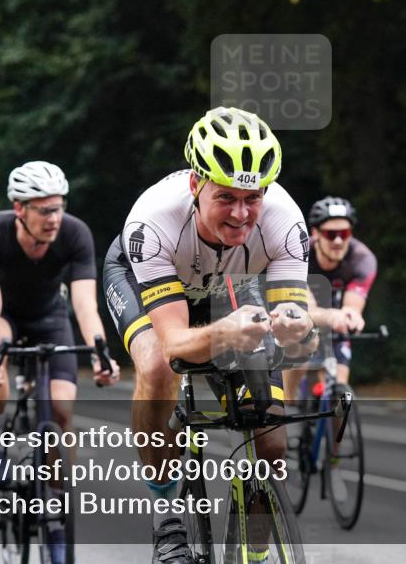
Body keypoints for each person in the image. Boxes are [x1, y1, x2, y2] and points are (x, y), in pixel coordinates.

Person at [102, 107, 318, 564]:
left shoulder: (285, 222)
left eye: (252, 197)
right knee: (157, 367)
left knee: (272, 443)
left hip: (231, 286)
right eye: (226, 197)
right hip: (150, 281)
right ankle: (166, 513)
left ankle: (255, 554)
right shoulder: (153, 221)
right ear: (195, 184)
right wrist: (225, 334)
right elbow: (175, 345)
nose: (241, 214)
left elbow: (299, 332)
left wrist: (299, 330)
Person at [0, 161, 120, 487]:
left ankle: (57, 501)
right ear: (19, 208)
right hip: (2, 314)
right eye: (45, 210)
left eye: (59, 208)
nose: (54, 219)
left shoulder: (75, 233)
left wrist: (100, 353)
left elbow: (84, 304)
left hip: (49, 316)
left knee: (61, 411)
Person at [282, 196, 377, 405]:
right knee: (298, 347)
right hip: (301, 309)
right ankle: (287, 404)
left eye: (344, 234)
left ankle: (333, 419)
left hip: (334, 311)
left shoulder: (362, 259)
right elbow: (305, 309)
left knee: (339, 398)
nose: (338, 241)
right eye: (331, 234)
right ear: (315, 233)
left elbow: (352, 306)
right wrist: (331, 316)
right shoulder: (297, 254)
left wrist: (352, 316)